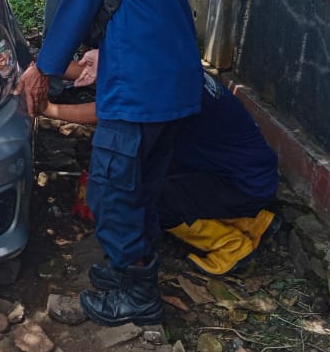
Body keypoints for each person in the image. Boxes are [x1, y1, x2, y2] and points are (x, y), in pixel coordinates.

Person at [15, 0, 203, 328]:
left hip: (138, 87)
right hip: (178, 83)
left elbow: (79, 3)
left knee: (111, 190)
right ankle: (129, 274)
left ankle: (137, 294)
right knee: (143, 185)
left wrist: (41, 70)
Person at [41, 51, 281, 276]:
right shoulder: (165, 64)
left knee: (149, 200)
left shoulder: (164, 88)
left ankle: (232, 246)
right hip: (244, 171)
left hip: (242, 184)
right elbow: (95, 73)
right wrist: (40, 67)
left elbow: (110, 113)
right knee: (150, 172)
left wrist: (48, 109)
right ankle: (253, 222)